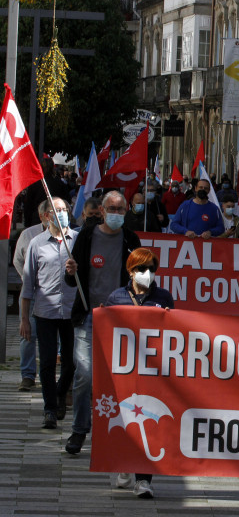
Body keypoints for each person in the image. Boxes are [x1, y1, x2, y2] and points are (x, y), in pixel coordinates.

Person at [63, 191, 142, 455]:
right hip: (87, 315)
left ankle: (117, 431)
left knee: (119, 378)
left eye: (121, 210)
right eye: (112, 209)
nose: (117, 214)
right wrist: (70, 272)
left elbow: (142, 281)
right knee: (84, 374)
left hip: (120, 319)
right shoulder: (86, 237)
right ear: (102, 210)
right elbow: (71, 280)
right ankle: (79, 429)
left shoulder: (132, 240)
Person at [106, 248, 174, 499]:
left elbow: (175, 333)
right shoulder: (117, 297)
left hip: (152, 372)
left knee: (149, 419)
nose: (147, 274)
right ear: (130, 271)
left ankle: (144, 480)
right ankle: (125, 465)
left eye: (151, 269)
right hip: (122, 371)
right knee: (126, 417)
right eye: (142, 269)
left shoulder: (164, 297)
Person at [20, 198, 78, 429]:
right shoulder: (36, 243)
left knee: (72, 361)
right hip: (45, 311)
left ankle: (60, 393)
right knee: (46, 362)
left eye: (64, 209)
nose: (62, 213)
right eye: (57, 210)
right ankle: (50, 410)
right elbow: (28, 284)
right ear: (46, 216)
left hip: (73, 311)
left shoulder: (77, 240)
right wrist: (24, 318)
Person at [13, 219, 45, 391]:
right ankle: (27, 375)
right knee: (27, 333)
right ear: (43, 215)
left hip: (54, 294)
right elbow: (18, 260)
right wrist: (27, 280)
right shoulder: (28, 234)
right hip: (31, 291)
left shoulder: (70, 235)